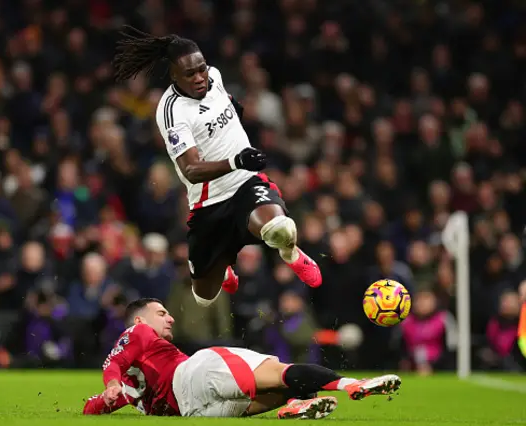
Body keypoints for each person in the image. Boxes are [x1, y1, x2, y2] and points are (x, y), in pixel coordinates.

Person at [113, 27, 323, 307]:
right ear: (174, 75)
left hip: (246, 181)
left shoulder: (214, 76)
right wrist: (235, 159)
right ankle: (221, 264)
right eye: (190, 74)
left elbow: (221, 105)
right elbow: (190, 170)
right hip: (208, 201)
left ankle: (291, 254)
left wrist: (234, 112)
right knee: (204, 297)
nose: (200, 77)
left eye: (201, 69)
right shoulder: (172, 111)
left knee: (279, 229)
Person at [82, 298, 402, 419]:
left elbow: (92, 406)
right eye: (162, 313)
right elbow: (112, 365)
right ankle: (350, 384)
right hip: (195, 372)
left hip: (194, 412)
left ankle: (296, 404)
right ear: (139, 321)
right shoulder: (137, 333)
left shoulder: (126, 390)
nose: (171, 319)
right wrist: (110, 380)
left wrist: (108, 394)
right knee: (278, 371)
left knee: (273, 392)